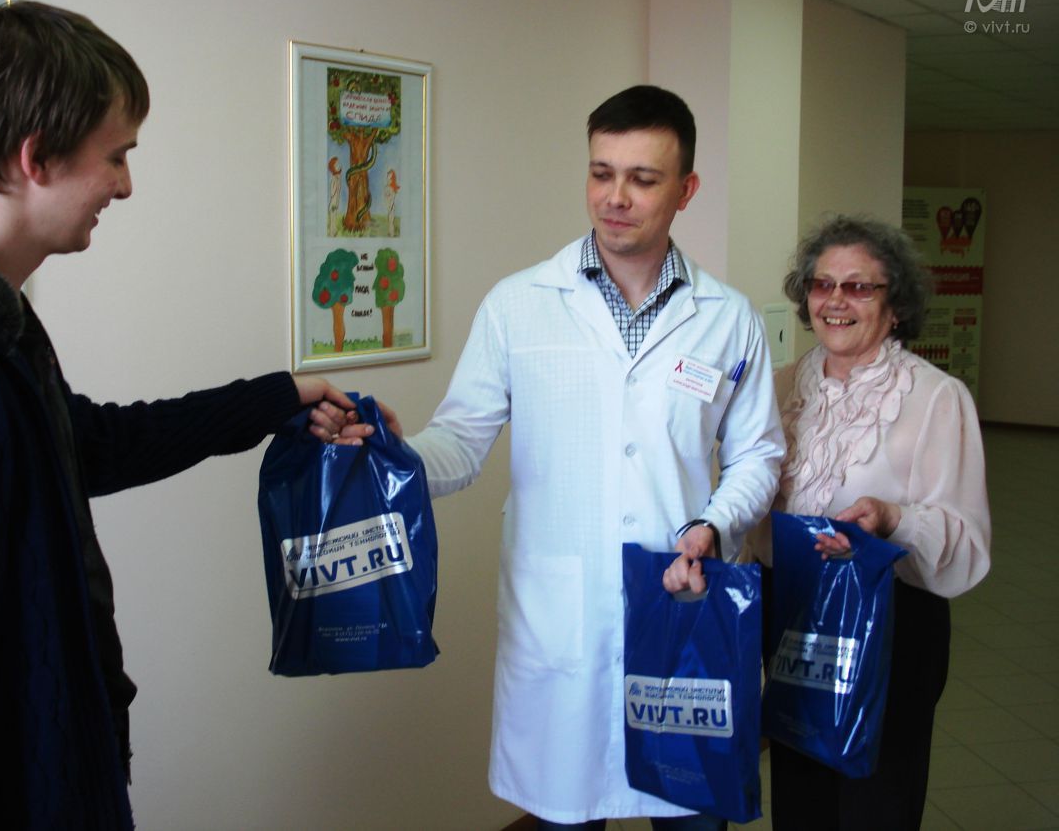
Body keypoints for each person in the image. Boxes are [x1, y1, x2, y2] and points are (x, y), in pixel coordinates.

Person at [0, 1, 362, 829]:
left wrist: (274, 398)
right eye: (116, 156)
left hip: (68, 774)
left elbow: (87, 443)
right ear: (37, 157)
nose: (125, 185)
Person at [404, 85, 785, 829]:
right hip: (561, 620)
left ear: (686, 191)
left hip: (681, 600)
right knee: (565, 812)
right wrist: (388, 459)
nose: (615, 197)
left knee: (690, 811)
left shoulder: (727, 317)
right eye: (601, 172)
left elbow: (757, 455)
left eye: (642, 179)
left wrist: (714, 524)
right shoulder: (518, 304)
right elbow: (459, 442)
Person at [746, 215, 991, 831]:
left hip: (890, 623)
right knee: (800, 795)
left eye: (859, 287)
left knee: (876, 800)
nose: (835, 300)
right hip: (795, 613)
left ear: (896, 303)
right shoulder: (780, 387)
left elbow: (965, 536)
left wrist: (892, 519)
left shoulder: (936, 398)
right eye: (822, 284)